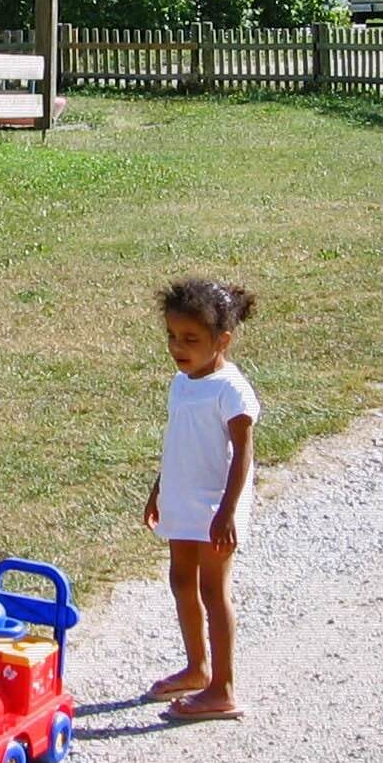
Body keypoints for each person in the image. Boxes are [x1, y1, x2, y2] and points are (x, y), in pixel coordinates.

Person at [142, 276, 259, 722]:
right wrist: (159, 488)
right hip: (182, 498)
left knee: (213, 590)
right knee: (180, 582)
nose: (178, 347)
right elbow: (178, 441)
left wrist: (228, 510)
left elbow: (243, 452)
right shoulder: (183, 381)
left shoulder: (231, 389)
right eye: (172, 336)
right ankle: (196, 668)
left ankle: (222, 688)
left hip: (215, 507)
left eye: (191, 339)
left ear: (222, 339)